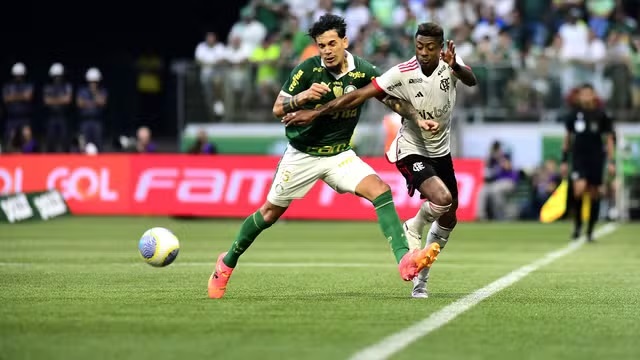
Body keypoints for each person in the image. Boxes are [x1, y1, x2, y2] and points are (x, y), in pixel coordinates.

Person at [208, 14, 441, 299]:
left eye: (332, 43)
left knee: (380, 190)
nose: (327, 50)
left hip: (339, 154)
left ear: (345, 42)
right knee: (269, 214)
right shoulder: (307, 70)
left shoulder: (362, 71)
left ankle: (405, 259)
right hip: (302, 155)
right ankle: (226, 263)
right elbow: (278, 109)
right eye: (321, 46)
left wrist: (417, 118)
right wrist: (302, 97)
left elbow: (393, 99)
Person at [282, 22, 478, 298]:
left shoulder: (450, 63)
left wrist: (456, 66)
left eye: (430, 48)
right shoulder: (402, 72)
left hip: (441, 150)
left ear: (440, 47)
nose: (423, 52)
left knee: (449, 217)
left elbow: (471, 79)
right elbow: (358, 95)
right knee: (442, 198)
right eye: (419, 46)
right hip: (411, 148)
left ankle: (421, 279)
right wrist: (315, 113)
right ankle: (413, 226)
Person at [561, 84, 615, 242]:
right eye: (582, 94)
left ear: (593, 96)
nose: (585, 97)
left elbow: (609, 139)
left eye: (588, 94)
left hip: (596, 157)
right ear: (579, 96)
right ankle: (577, 225)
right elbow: (567, 138)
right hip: (579, 157)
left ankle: (590, 231)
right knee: (578, 189)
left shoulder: (601, 115)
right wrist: (564, 159)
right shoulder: (573, 115)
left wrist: (611, 161)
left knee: (594, 193)